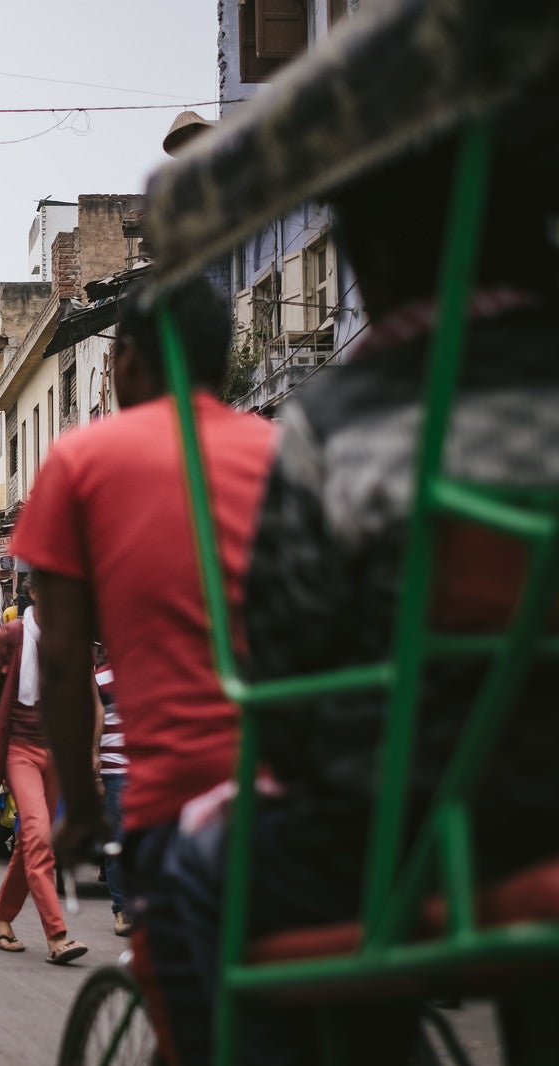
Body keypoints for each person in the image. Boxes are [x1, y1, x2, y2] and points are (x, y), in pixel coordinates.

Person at [171, 132, 559, 1065]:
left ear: (378, 257)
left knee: (200, 861)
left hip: (402, 832)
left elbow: (285, 658)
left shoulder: (335, 420)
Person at [17, 276, 276, 1065]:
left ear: (123, 364)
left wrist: (86, 809)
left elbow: (62, 662)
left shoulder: (83, 460)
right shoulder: (283, 449)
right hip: (309, 796)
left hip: (179, 807)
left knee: (190, 1027)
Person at [0, 585, 87, 964]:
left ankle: (3, 918)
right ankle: (57, 935)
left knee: (33, 842)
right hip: (19, 748)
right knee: (38, 835)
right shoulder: (9, 636)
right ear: (36, 589)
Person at [93, 646, 130, 936]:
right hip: (115, 771)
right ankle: (123, 909)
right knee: (118, 841)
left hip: (145, 772)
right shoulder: (100, 681)